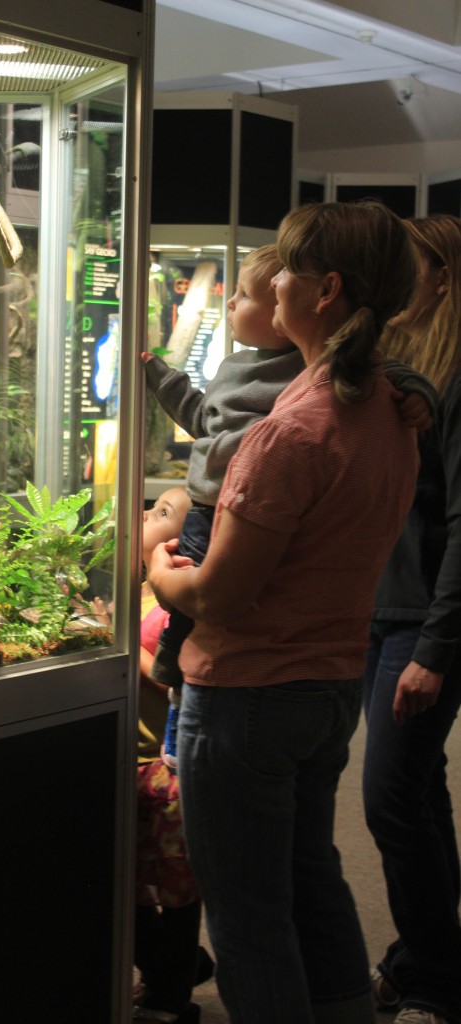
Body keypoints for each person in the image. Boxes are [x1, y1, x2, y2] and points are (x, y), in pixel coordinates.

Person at [147, 200, 421, 1024]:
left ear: (325, 290)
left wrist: (155, 565)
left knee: (247, 917)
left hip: (246, 697)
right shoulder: (392, 410)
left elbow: (217, 595)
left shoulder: (291, 434)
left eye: (288, 272)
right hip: (329, 684)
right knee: (310, 877)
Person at [143, 244, 434, 771]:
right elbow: (203, 416)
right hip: (218, 511)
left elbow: (395, 372)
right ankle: (173, 687)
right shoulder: (237, 368)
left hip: (257, 661)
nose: (232, 304)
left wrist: (159, 575)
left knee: (198, 603)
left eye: (248, 295)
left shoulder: (309, 393)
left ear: (318, 298)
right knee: (182, 629)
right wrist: (159, 377)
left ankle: (175, 692)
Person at [362, 215, 461, 1024]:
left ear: (443, 280)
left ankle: (429, 974)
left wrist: (434, 645)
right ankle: (429, 959)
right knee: (417, 793)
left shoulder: (456, 380)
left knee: (389, 797)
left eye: (409, 268)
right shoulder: (402, 370)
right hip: (380, 612)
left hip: (423, 624)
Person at [134, 486, 214, 1024]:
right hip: (136, 765)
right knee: (134, 879)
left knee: (176, 884)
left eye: (161, 512)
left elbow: (176, 679)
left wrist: (125, 650)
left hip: (169, 770)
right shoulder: (141, 592)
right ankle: (176, 967)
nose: (144, 514)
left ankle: (171, 991)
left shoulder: (175, 601)